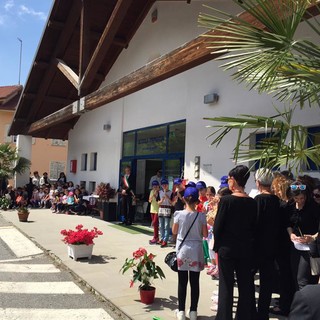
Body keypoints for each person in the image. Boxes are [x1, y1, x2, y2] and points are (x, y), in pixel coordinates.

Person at [213, 165, 257, 320]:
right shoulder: (252, 202)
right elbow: (254, 227)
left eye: (230, 179)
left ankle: (224, 317)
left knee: (226, 286)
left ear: (235, 180)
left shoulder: (226, 201)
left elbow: (218, 226)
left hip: (227, 249)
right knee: (245, 285)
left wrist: (216, 246)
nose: (229, 182)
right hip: (246, 249)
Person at [172, 186, 208, 320]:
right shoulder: (201, 215)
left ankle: (181, 311)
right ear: (197, 201)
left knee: (182, 281)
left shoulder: (179, 214)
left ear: (184, 199)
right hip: (196, 250)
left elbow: (174, 232)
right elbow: (205, 234)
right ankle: (193, 311)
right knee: (195, 282)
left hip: (183, 249)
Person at [253, 168, 281, 320]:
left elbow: (254, 224)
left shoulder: (258, 200)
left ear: (258, 183)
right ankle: (263, 312)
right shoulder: (277, 201)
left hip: (258, 246)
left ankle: (253, 309)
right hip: (272, 246)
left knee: (250, 278)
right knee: (266, 281)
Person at [269, 173, 295, 316]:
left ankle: (285, 305)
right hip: (289, 245)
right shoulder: (292, 204)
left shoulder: (284, 206)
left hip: (283, 245)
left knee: (285, 277)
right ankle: (286, 302)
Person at [286, 180, 320, 290]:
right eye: (297, 199)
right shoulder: (290, 206)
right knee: (295, 277)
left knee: (302, 279)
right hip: (296, 245)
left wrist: (313, 237)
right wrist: (291, 234)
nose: (300, 201)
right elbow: (288, 223)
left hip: (309, 247)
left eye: (302, 198)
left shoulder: (313, 207)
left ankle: (304, 305)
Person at [157, 178, 173, 248]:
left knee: (166, 225)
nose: (164, 186)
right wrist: (162, 199)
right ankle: (162, 237)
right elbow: (158, 202)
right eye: (163, 185)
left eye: (165, 184)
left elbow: (172, 203)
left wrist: (167, 197)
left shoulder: (171, 192)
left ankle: (165, 240)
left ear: (168, 185)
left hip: (167, 208)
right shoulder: (160, 192)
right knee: (161, 225)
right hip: (161, 208)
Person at [148, 180, 160, 244]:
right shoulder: (151, 191)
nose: (155, 187)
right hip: (152, 209)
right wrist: (153, 195)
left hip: (157, 210)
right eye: (153, 186)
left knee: (155, 223)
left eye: (156, 186)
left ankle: (156, 237)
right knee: (154, 224)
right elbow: (149, 200)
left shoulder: (160, 192)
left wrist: (156, 195)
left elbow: (159, 200)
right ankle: (155, 237)